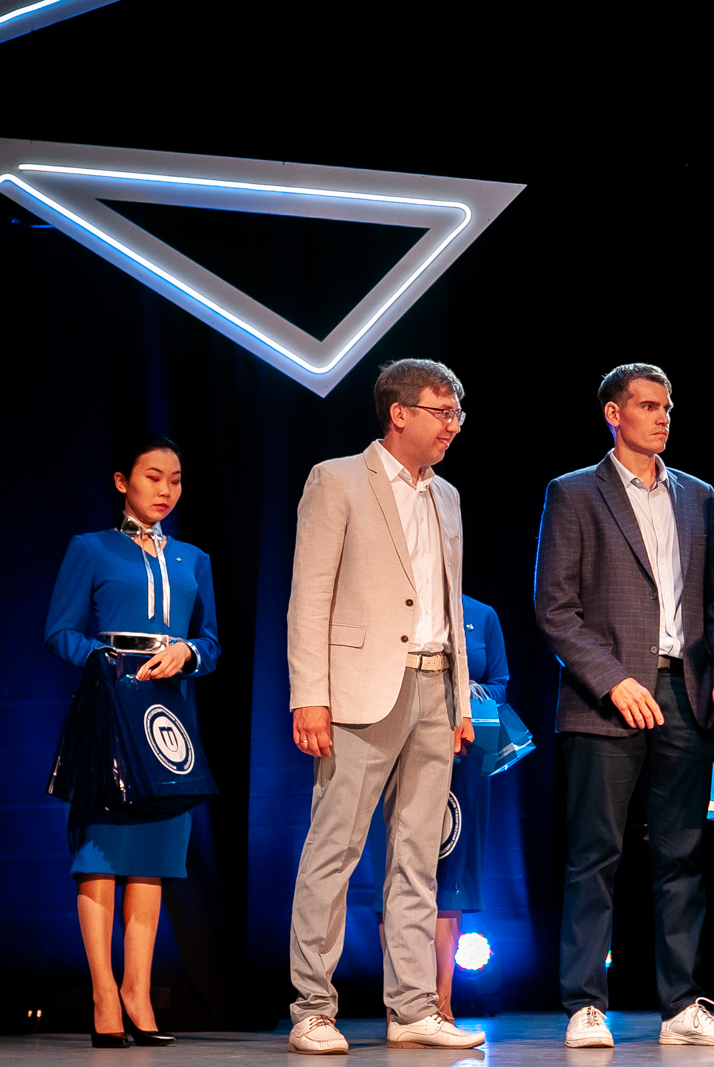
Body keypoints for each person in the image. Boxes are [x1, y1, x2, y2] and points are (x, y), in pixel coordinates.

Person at [535, 363, 714, 1050]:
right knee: (595, 854)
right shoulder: (573, 492)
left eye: (668, 407)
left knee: (682, 854)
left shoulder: (698, 495)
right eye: (649, 406)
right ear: (613, 413)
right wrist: (611, 679)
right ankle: (584, 1004)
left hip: (684, 691)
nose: (662, 417)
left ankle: (681, 1006)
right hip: (605, 700)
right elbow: (555, 609)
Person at [284, 359, 483, 1054]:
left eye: (457, 413)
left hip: (434, 685)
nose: (453, 425)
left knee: (419, 856)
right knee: (334, 850)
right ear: (400, 413)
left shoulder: (446, 495)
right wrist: (310, 696)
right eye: (442, 411)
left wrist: (460, 700)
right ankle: (313, 1007)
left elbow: (451, 605)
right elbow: (309, 596)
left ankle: (413, 1008)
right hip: (359, 691)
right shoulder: (337, 479)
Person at [44, 434, 220, 1049]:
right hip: (109, 709)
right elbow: (60, 631)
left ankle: (137, 994)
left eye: (176, 479)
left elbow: (212, 642)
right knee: (101, 856)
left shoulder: (194, 558)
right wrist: (104, 658)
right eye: (153, 477)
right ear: (123, 481)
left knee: (153, 857)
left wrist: (188, 652)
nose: (166, 490)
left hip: (169, 717)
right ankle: (103, 996)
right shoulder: (90, 548)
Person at [366, 593, 509, 1021]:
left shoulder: (482, 614)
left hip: (462, 756)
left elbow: (500, 684)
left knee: (450, 884)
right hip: (395, 749)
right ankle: (400, 1007)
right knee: (395, 874)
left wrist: (465, 693)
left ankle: (441, 1006)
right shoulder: (391, 604)